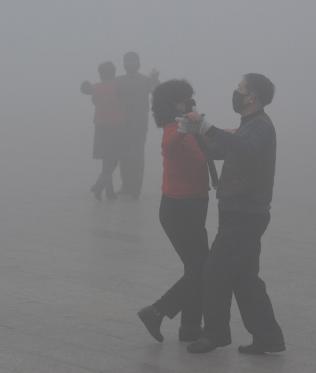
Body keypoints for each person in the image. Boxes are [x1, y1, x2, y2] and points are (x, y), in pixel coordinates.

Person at [180, 73, 285, 355]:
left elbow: (244, 149)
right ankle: (268, 337)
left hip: (246, 214)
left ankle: (214, 334)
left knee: (214, 272)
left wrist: (207, 127)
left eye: (240, 90)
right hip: (240, 211)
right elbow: (221, 149)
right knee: (245, 278)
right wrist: (197, 132)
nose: (235, 93)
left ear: (252, 97)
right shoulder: (249, 124)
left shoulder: (260, 127)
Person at [137, 80, 210, 343]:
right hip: (179, 210)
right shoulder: (174, 129)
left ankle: (190, 327)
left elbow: (215, 139)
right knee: (202, 268)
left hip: (194, 207)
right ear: (172, 104)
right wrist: (184, 126)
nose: (189, 102)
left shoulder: (190, 129)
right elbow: (169, 145)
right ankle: (157, 311)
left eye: (191, 98)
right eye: (184, 100)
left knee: (197, 268)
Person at [115, 52, 160, 199]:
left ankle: (135, 188)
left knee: (137, 156)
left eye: (133, 61)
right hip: (121, 124)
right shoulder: (118, 81)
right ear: (124, 64)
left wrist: (155, 79)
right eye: (127, 61)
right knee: (123, 156)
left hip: (139, 124)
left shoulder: (145, 80)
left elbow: (157, 91)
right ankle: (126, 186)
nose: (130, 64)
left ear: (138, 63)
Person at [80, 61, 125, 201]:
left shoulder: (97, 87)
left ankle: (108, 192)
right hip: (116, 127)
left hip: (100, 127)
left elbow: (85, 90)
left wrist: (87, 85)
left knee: (106, 160)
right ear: (113, 72)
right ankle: (99, 186)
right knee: (113, 161)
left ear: (100, 74)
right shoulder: (118, 86)